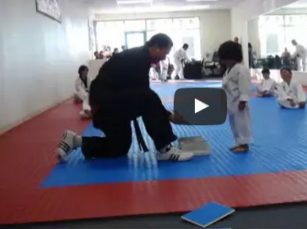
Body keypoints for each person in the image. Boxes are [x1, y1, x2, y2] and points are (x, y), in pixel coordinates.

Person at [57, 34, 194, 162]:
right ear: (156, 47)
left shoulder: (140, 57)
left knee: (119, 147)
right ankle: (164, 148)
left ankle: (75, 140)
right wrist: (169, 116)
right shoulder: (138, 59)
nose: (164, 58)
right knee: (149, 99)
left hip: (112, 104)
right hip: (106, 105)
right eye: (165, 53)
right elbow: (144, 96)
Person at [220, 41, 252, 153]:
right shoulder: (229, 69)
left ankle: (244, 144)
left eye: (225, 58)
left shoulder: (241, 69)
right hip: (230, 101)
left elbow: (245, 85)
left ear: (233, 57)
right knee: (234, 123)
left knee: (241, 122)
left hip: (239, 101)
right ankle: (238, 142)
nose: (223, 61)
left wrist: (243, 100)